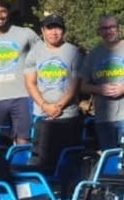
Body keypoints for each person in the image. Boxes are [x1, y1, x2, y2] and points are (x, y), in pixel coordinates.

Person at [79, 15, 124, 151]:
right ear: (99, 31)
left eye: (112, 27)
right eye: (104, 28)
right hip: (103, 117)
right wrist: (99, 89)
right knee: (109, 156)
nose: (108, 31)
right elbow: (82, 86)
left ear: (118, 29)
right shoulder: (94, 54)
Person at [24, 14, 83, 150]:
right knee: (42, 157)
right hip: (41, 115)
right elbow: (30, 82)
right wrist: (45, 106)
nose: (54, 32)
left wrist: (59, 106)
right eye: (49, 28)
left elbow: (76, 83)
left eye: (57, 28)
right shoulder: (35, 52)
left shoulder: (73, 52)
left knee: (67, 158)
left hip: (67, 115)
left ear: (63, 31)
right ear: (43, 31)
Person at [0, 0, 38, 145]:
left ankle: (21, 167)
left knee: (24, 139)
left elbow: (43, 54)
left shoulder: (26, 33)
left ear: (8, 13)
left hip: (23, 96)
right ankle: (1, 168)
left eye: (3, 11)